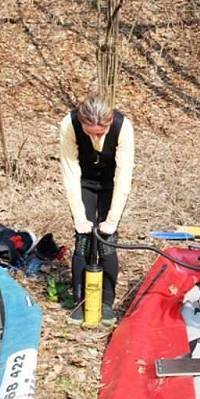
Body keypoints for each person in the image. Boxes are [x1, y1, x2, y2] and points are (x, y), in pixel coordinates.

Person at [59, 94, 135, 326]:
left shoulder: (123, 127)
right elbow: (70, 171)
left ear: (109, 123)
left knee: (106, 241)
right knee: (83, 240)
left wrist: (111, 220)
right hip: (83, 183)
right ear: (81, 122)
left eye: (100, 133)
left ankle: (106, 303)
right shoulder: (69, 124)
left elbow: (124, 177)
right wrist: (80, 217)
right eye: (89, 132)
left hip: (111, 184)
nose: (94, 137)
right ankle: (81, 301)